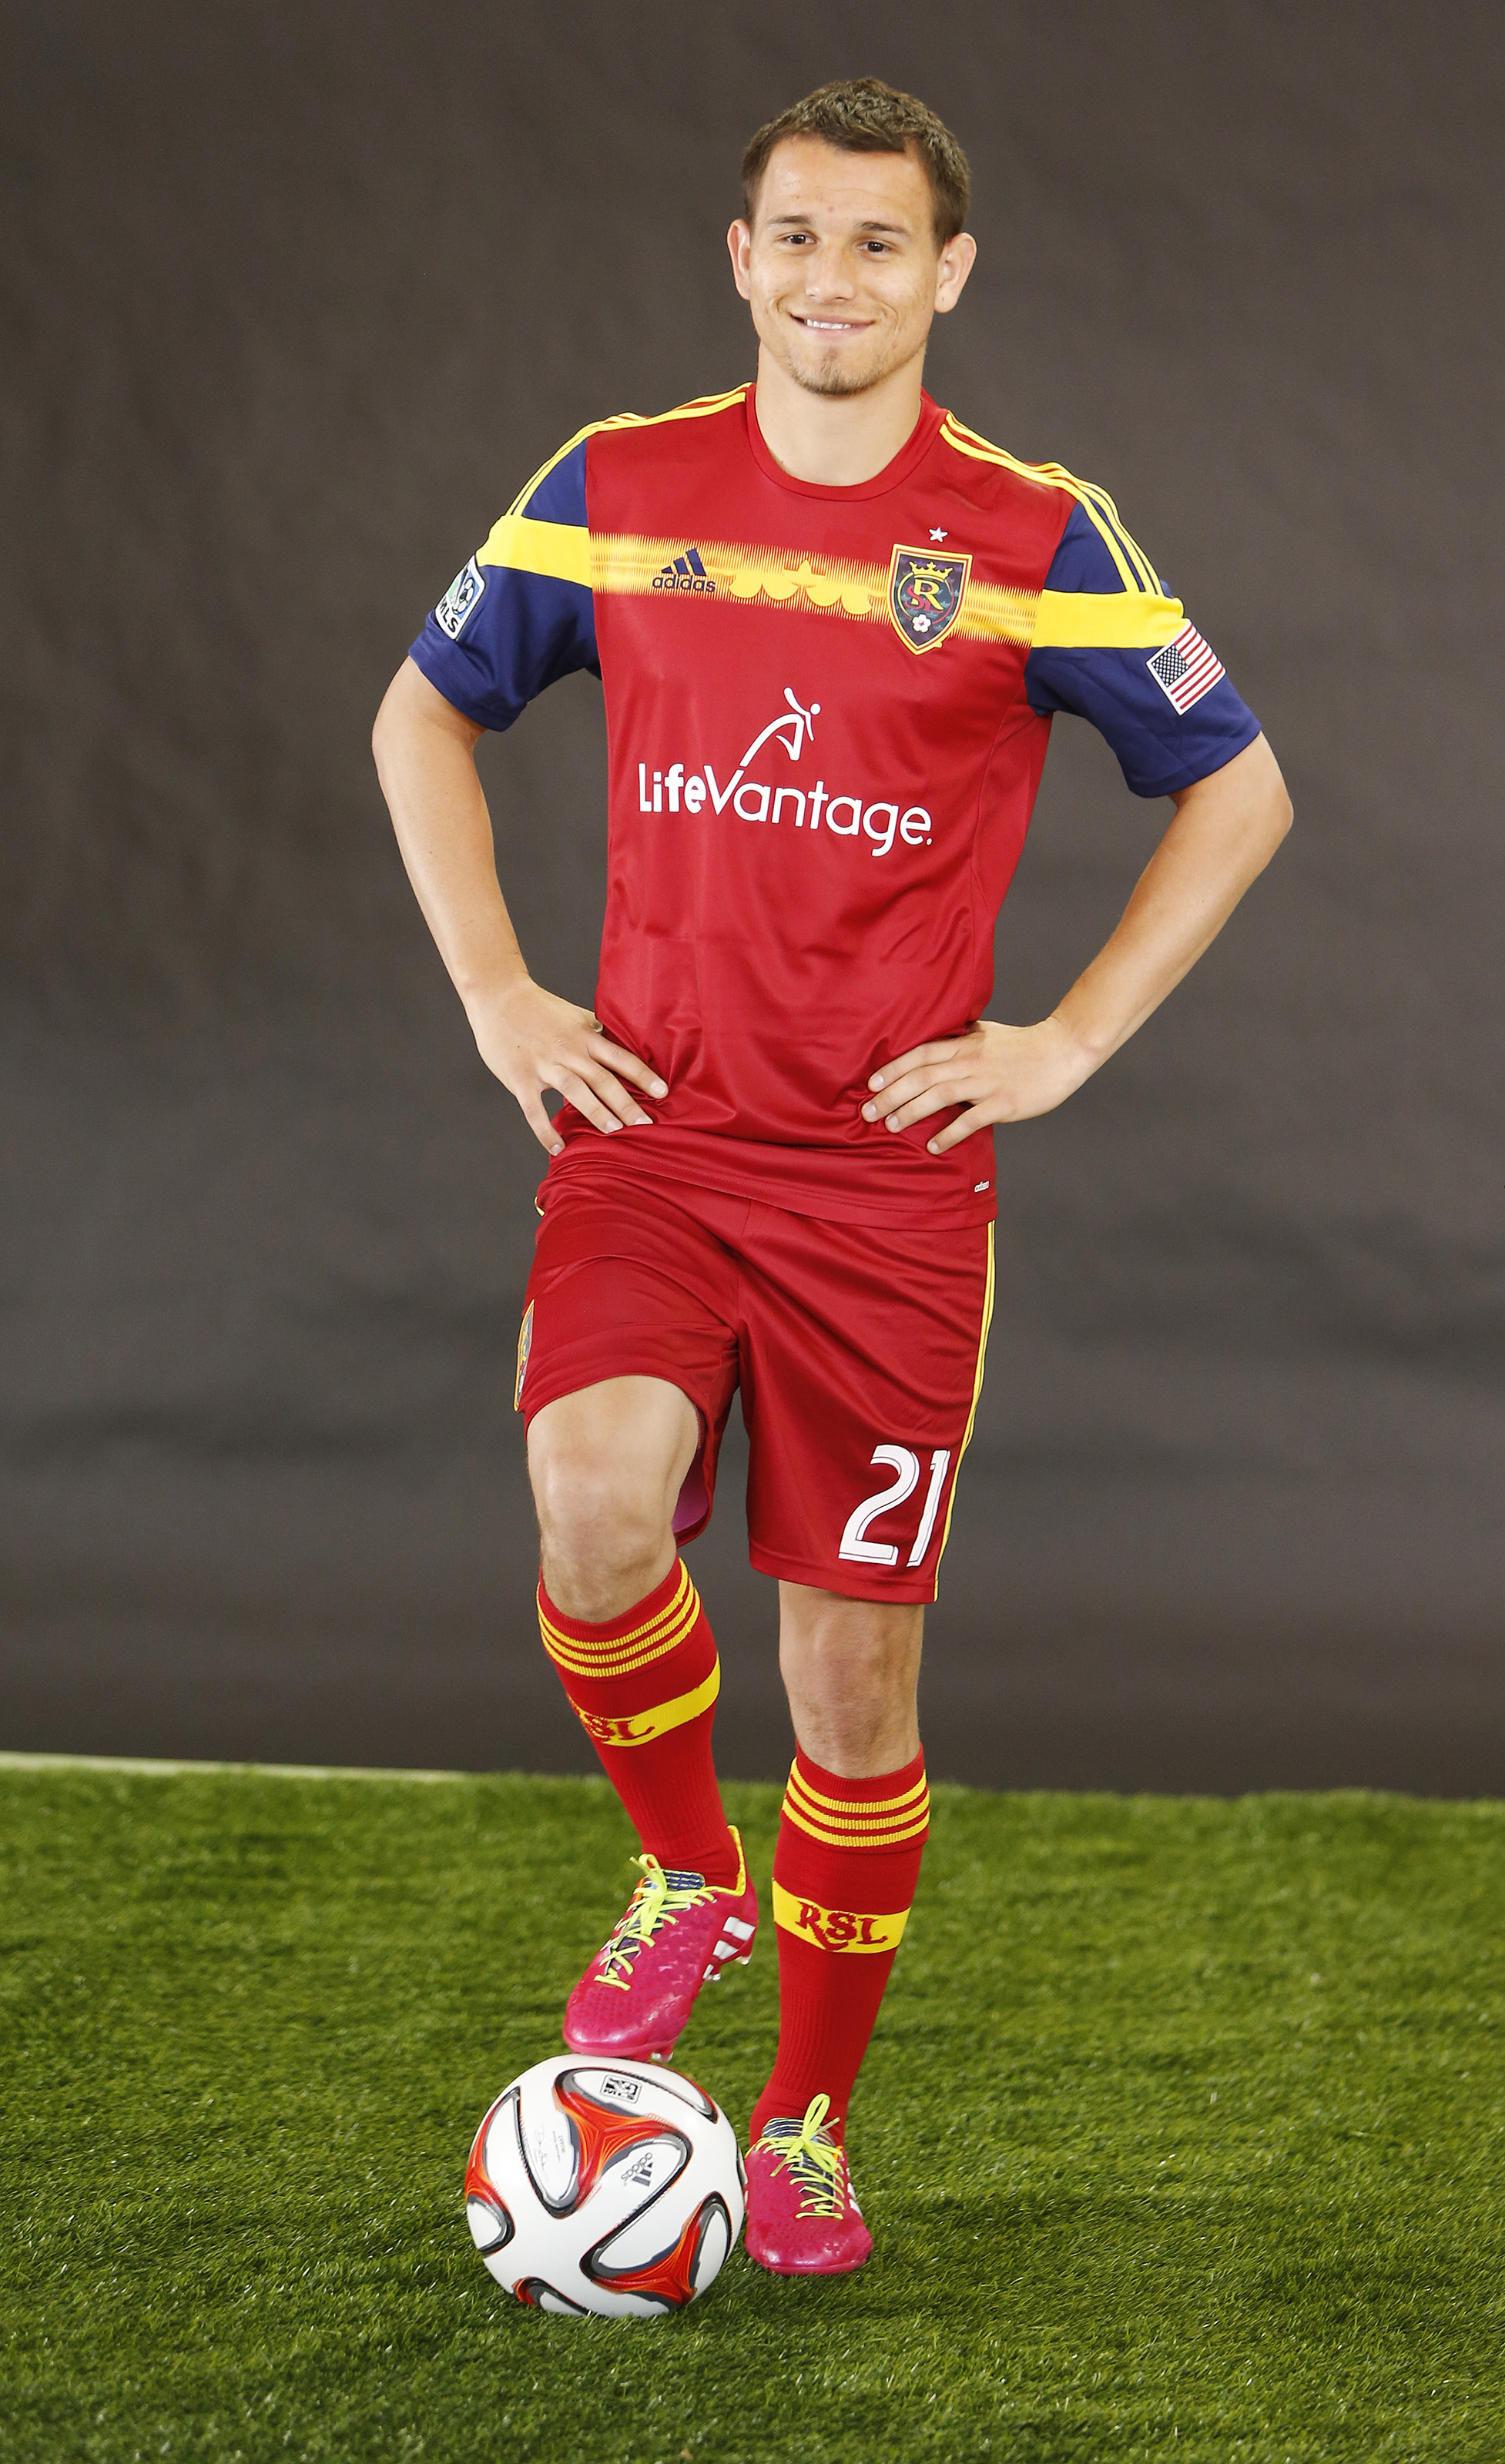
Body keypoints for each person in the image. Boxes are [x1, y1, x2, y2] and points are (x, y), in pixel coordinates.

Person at [372, 76, 1292, 2278]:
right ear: (737, 256)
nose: (830, 279)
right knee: (591, 1506)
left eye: (878, 245)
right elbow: (421, 714)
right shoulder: (613, 487)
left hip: (886, 1202)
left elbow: (1239, 788)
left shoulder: (1035, 531)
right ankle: (682, 1870)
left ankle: (797, 2122)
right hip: (652, 1145)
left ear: (946, 276)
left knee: (851, 1699)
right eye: (795, 237)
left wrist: (1061, 1040)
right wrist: (502, 994)